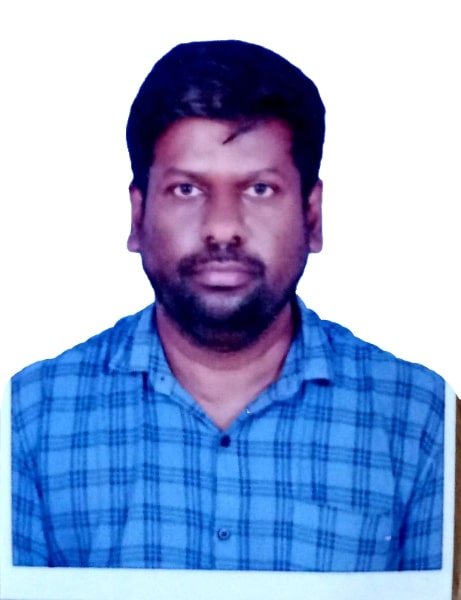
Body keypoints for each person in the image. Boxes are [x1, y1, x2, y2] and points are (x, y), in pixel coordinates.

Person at [11, 39, 444, 572]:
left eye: (259, 189)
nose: (221, 228)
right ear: (137, 216)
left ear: (312, 216)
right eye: (186, 190)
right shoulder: (29, 420)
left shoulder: (420, 421)